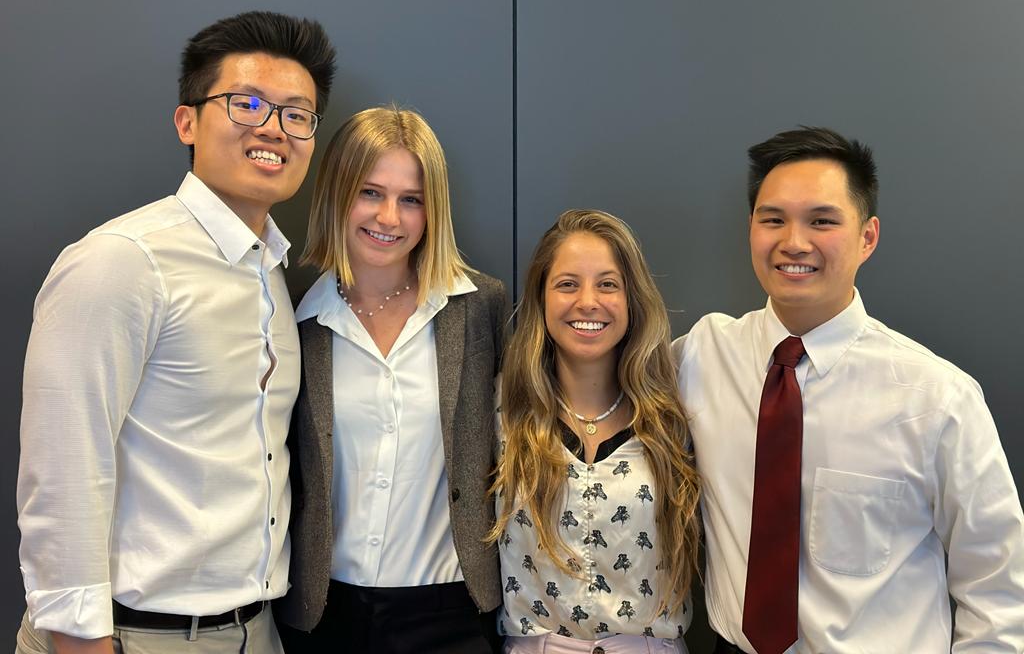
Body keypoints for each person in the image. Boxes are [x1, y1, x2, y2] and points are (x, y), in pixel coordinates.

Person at [16, 11, 336, 654]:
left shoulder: (270, 271)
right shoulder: (124, 260)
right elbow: (63, 469)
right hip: (134, 635)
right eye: (246, 103)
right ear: (187, 121)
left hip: (254, 631)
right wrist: (81, 643)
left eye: (296, 114)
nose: (272, 128)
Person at [675, 127, 1024, 653]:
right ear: (751, 228)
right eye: (773, 219)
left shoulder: (936, 397)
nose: (794, 242)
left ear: (868, 236)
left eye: (822, 221)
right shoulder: (701, 354)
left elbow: (998, 586)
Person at [274, 106, 508, 653]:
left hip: (452, 611)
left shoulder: (482, 310)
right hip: (323, 614)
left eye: (411, 200)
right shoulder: (297, 321)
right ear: (336, 195)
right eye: (370, 192)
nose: (389, 218)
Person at [493, 209, 701, 654]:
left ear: (632, 299)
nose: (588, 301)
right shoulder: (503, 412)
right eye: (568, 284)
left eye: (608, 284)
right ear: (541, 298)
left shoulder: (676, 416)